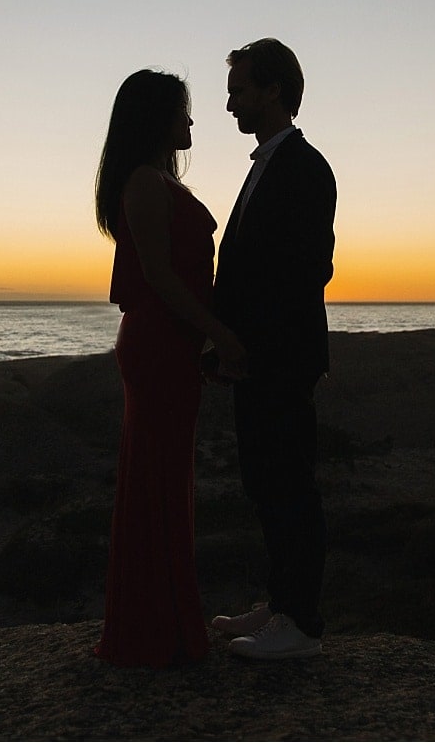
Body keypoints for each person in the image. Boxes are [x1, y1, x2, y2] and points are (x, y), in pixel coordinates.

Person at [92, 68, 247, 668]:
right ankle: (155, 632)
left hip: (168, 345)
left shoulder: (152, 180)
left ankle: (161, 624)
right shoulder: (144, 183)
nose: (191, 122)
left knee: (164, 479)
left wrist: (206, 338)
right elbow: (159, 277)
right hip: (158, 345)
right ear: (157, 118)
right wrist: (222, 337)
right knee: (158, 480)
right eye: (183, 112)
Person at [208, 38, 336, 660]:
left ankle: (301, 625)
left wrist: (246, 342)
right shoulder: (264, 163)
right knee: (265, 481)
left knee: (289, 483)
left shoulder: (306, 168)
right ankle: (280, 601)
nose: (229, 101)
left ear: (274, 90)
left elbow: (309, 268)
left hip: (280, 357)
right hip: (257, 358)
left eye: (239, 88)